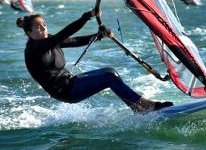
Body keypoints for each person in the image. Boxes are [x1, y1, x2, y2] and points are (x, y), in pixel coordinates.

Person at [16, 10, 173, 113]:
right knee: (108, 78)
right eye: (37, 27)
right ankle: (145, 106)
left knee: (110, 72)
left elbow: (74, 40)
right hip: (65, 91)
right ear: (29, 32)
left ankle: (136, 107)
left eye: (44, 25)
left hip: (70, 82)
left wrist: (99, 36)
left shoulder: (48, 40)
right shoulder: (35, 49)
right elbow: (65, 33)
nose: (43, 29)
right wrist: (86, 17)